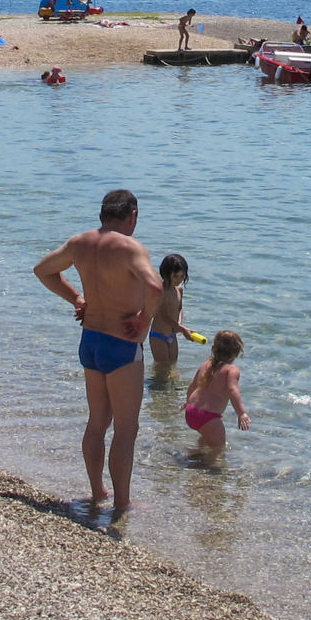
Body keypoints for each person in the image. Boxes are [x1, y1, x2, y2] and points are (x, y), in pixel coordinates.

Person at [33, 188, 164, 518]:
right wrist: (144, 319)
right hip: (121, 345)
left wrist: (77, 298)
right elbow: (155, 286)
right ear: (132, 216)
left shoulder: (79, 242)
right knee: (126, 429)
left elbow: (43, 270)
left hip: (90, 340)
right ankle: (121, 503)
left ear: (102, 215)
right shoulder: (130, 247)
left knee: (97, 422)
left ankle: (96, 493)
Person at [182, 330, 250, 450]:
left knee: (206, 438)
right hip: (208, 417)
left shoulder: (206, 364)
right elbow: (232, 390)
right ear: (237, 352)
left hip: (191, 411)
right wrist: (241, 413)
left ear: (214, 348)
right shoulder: (231, 370)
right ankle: (210, 465)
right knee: (218, 449)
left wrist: (187, 402)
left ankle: (195, 457)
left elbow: (193, 385)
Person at [147, 252, 198, 367]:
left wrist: (179, 323)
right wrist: (182, 329)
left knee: (173, 366)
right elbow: (165, 316)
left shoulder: (179, 290)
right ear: (165, 274)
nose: (179, 280)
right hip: (158, 335)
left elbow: (179, 308)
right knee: (162, 367)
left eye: (182, 276)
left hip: (172, 335)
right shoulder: (160, 291)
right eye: (176, 276)